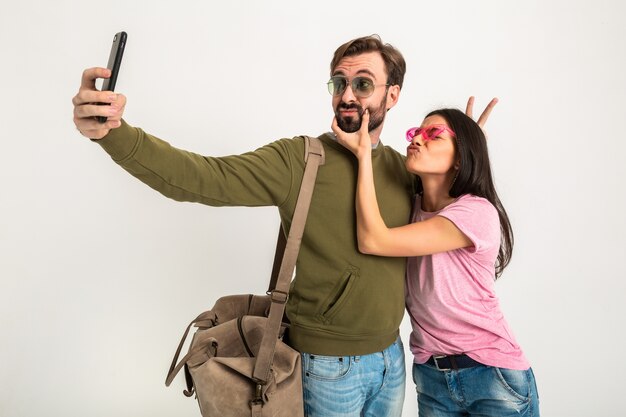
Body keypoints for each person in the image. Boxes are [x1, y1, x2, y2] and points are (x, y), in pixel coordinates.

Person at [72, 34, 494, 416]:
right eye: (338, 83)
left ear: (393, 94)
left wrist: (465, 147)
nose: (347, 95)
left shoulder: (406, 169)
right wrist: (114, 133)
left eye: (363, 84)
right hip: (326, 368)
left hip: (393, 359)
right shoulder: (301, 159)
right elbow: (200, 177)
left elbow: (451, 208)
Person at [332, 107, 540, 416]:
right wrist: (459, 141)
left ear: (460, 157)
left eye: (433, 135)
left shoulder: (476, 212)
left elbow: (374, 240)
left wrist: (363, 155)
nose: (418, 138)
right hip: (432, 377)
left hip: (491, 374)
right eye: (416, 132)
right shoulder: (412, 207)